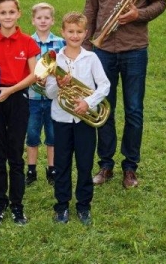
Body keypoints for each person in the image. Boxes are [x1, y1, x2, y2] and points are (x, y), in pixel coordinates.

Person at [83, 0, 166, 189]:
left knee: (134, 111)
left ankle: (130, 167)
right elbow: (90, 10)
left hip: (134, 49)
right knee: (104, 107)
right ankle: (105, 165)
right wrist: (85, 47)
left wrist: (137, 14)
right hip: (103, 50)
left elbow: (161, 2)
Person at [0, 0, 40, 226]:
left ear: (18, 14)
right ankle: (0, 203)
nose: (7, 16)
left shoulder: (28, 42)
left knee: (15, 155)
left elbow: (34, 74)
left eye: (11, 12)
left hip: (17, 97)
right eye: (2, 12)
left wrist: (11, 90)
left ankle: (17, 205)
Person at [44, 12, 110, 225]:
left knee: (84, 164)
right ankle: (61, 206)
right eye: (70, 31)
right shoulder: (54, 59)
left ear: (85, 33)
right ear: (63, 32)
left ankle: (84, 206)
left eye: (79, 32)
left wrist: (88, 103)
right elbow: (49, 93)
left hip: (84, 121)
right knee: (61, 164)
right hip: (61, 119)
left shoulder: (91, 58)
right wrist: (58, 84)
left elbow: (105, 85)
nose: (74, 35)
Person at [25, 3, 65, 187]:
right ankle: (31, 170)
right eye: (39, 18)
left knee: (52, 136)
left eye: (46, 18)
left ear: (52, 20)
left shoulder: (60, 43)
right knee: (32, 135)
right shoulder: (26, 42)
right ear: (33, 20)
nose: (43, 21)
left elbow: (64, 67)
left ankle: (52, 169)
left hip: (53, 99)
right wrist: (34, 76)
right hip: (32, 97)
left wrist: (50, 75)